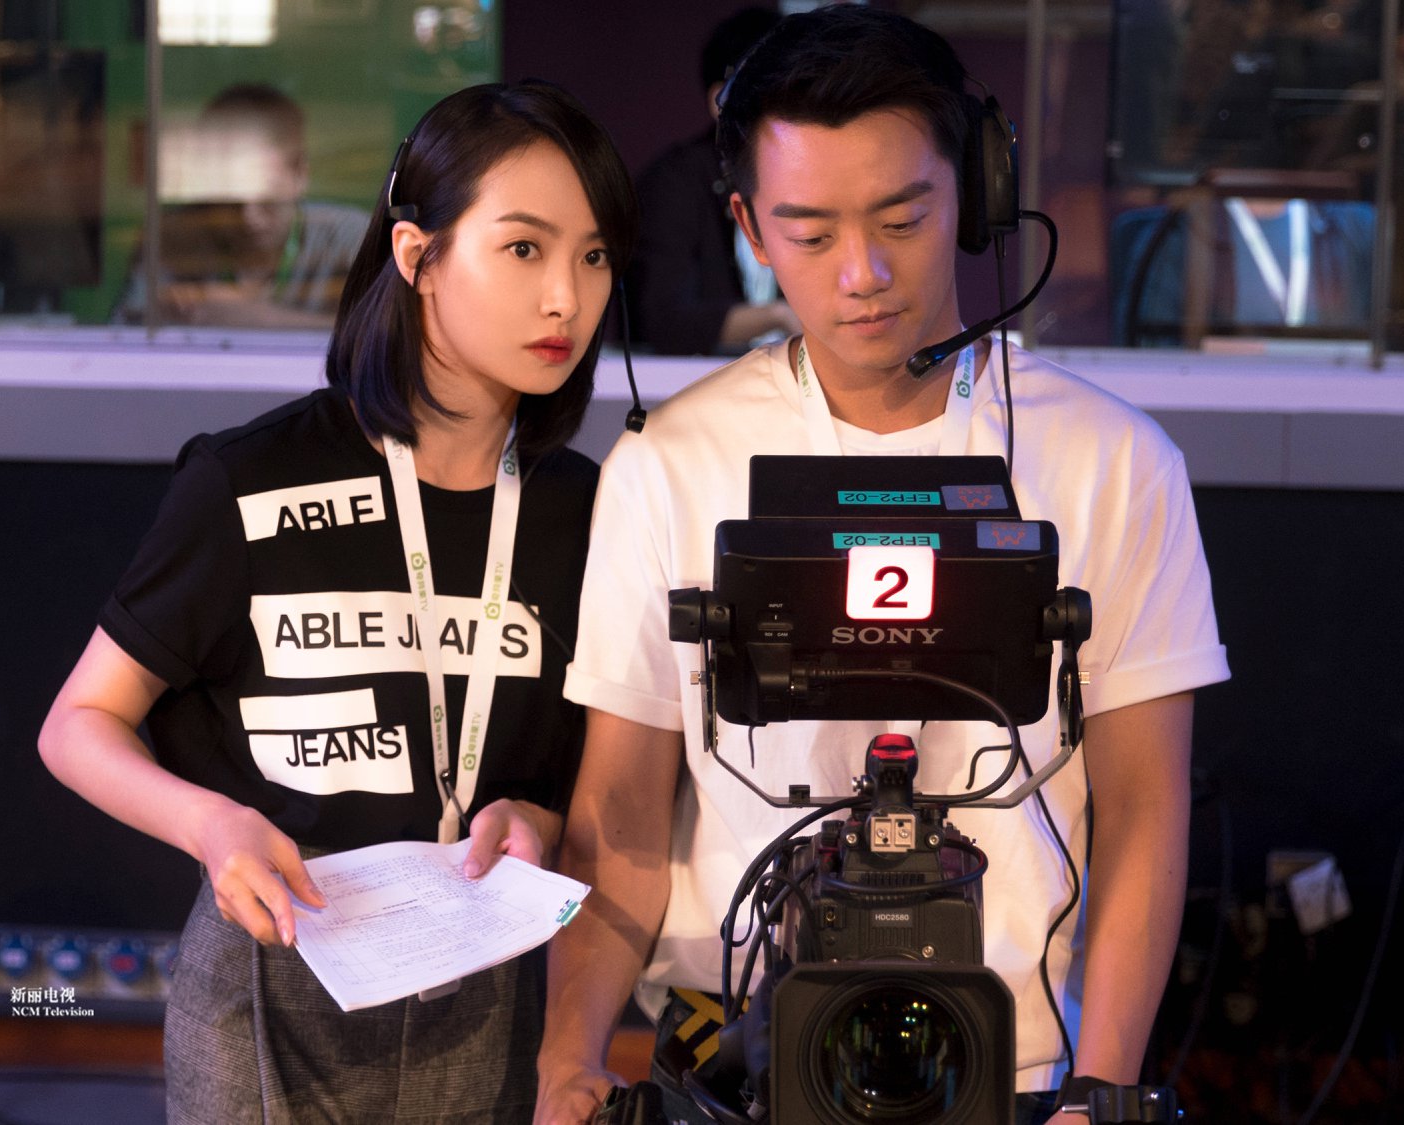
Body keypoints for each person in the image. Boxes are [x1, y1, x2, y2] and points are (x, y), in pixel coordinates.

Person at [525, 8, 1231, 1125]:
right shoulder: (669, 463)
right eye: (809, 235)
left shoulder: (1115, 462)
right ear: (748, 227)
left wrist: (1099, 1089)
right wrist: (566, 1059)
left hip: (1017, 1070)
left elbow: (1143, 805)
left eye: (903, 218)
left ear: (976, 194)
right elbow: (619, 806)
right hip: (731, 1065)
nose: (862, 273)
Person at [39, 80, 636, 1124]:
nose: (565, 300)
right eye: (523, 248)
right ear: (417, 255)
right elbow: (77, 724)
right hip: (273, 969)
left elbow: (569, 779)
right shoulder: (250, 478)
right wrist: (212, 825)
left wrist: (532, 818)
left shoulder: (587, 512)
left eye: (593, 257)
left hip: (480, 979)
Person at [116, 83, 369, 329]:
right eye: (230, 202)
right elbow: (123, 335)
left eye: (268, 202)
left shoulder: (353, 239)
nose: (249, 218)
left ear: (300, 175)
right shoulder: (170, 237)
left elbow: (385, 338)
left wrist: (257, 319)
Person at [629, 6, 801, 355]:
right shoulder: (676, 181)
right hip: (698, 378)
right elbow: (663, 320)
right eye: (773, 91)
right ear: (720, 102)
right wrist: (779, 316)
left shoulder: (805, 175)